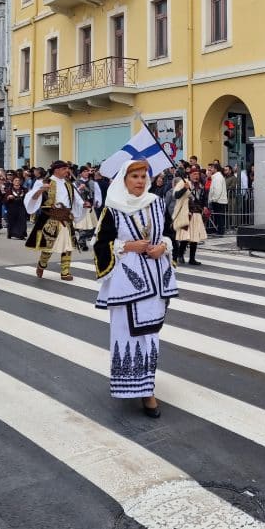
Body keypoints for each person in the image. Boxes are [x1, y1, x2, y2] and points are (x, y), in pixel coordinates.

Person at [93, 160, 178, 418]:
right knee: (127, 335)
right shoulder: (113, 210)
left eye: (143, 176)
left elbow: (169, 233)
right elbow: (99, 243)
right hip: (125, 285)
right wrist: (128, 246)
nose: (140, 181)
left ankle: (146, 386)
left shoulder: (156, 203)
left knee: (150, 335)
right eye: (135, 177)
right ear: (124, 180)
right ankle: (140, 389)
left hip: (156, 280)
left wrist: (163, 246)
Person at [25, 160, 85, 281]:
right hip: (51, 219)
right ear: (57, 170)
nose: (67, 171)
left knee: (68, 246)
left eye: (67, 169)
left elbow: (77, 199)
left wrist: (84, 204)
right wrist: (41, 190)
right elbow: (32, 198)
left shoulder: (69, 183)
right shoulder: (44, 182)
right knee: (49, 247)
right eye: (64, 169)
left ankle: (65, 272)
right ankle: (41, 264)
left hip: (66, 218)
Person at [171, 166, 207, 265]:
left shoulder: (200, 185)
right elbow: (176, 195)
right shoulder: (184, 182)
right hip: (186, 213)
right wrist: (184, 189)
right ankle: (180, 255)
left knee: (194, 237)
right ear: (190, 175)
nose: (196, 176)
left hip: (197, 213)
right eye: (194, 174)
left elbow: (203, 198)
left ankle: (192, 258)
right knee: (185, 237)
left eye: (198, 174)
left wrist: (204, 206)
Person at [207, 163, 228, 236]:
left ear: (216, 169)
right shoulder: (216, 177)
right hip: (218, 200)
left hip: (218, 201)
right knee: (218, 217)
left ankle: (220, 232)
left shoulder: (218, 177)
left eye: (212, 168)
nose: (210, 169)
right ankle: (219, 231)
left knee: (219, 217)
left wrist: (214, 199)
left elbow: (217, 190)